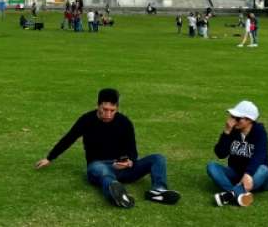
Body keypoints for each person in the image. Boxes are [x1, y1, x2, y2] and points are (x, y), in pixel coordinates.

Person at [35, 88, 181, 208]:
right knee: (103, 171)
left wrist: (129, 162)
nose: (108, 114)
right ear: (98, 105)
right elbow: (69, 138)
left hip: (122, 167)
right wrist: (50, 158)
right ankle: (116, 192)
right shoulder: (87, 120)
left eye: (112, 110)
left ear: (117, 107)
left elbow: (132, 151)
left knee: (158, 158)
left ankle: (158, 190)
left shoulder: (124, 122)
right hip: (97, 166)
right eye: (105, 109)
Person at [207, 101, 268, 207]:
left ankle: (230, 195)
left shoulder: (259, 132)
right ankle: (238, 194)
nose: (233, 121)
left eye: (237, 118)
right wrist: (226, 132)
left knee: (263, 169)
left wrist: (248, 174)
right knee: (212, 167)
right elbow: (220, 154)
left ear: (249, 120)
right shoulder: (233, 131)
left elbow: (260, 155)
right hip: (236, 173)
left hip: (255, 174)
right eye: (232, 117)